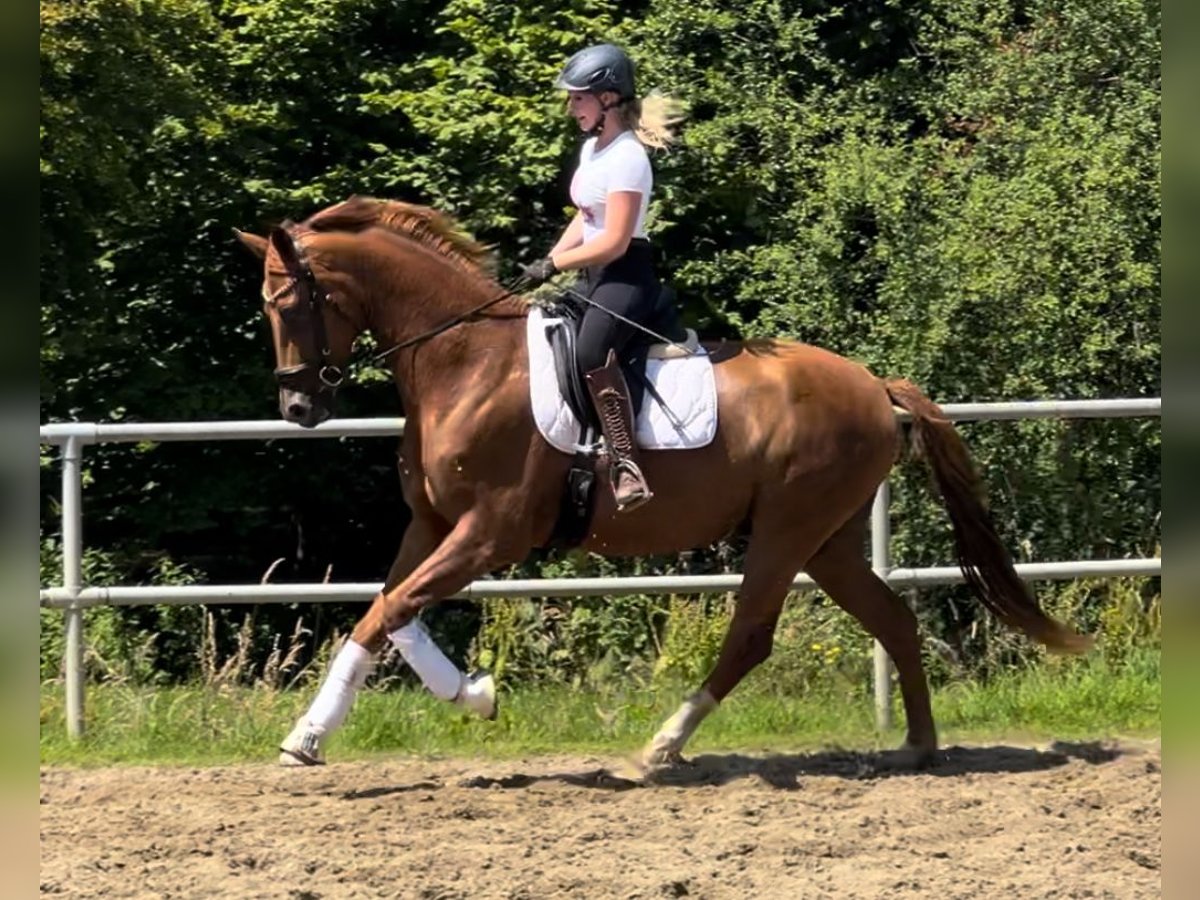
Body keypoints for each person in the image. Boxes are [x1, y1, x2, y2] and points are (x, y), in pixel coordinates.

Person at [522, 43, 684, 513]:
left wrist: (556, 266)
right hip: (594, 272)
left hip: (626, 275)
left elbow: (613, 240)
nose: (572, 106)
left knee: (593, 351)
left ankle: (625, 463)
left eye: (579, 98)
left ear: (608, 99)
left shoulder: (629, 158)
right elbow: (586, 216)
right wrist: (548, 260)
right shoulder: (594, 149)